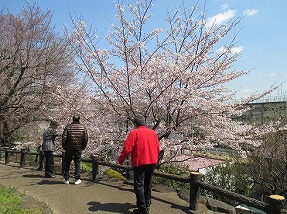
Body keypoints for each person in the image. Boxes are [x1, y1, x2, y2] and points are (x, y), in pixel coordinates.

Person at [118, 115, 160, 214]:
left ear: (135, 124)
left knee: (139, 185)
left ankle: (142, 209)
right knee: (147, 183)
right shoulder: (152, 132)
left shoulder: (134, 132)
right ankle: (147, 204)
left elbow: (127, 149)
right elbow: (158, 147)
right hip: (152, 161)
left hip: (140, 162)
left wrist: (121, 160)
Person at [62, 115, 88, 185]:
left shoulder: (68, 127)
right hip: (78, 148)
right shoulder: (83, 127)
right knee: (77, 163)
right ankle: (77, 179)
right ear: (79, 119)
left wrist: (64, 147)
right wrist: (83, 147)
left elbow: (64, 138)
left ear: (72, 119)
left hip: (69, 148)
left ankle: (66, 179)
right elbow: (85, 139)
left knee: (67, 163)